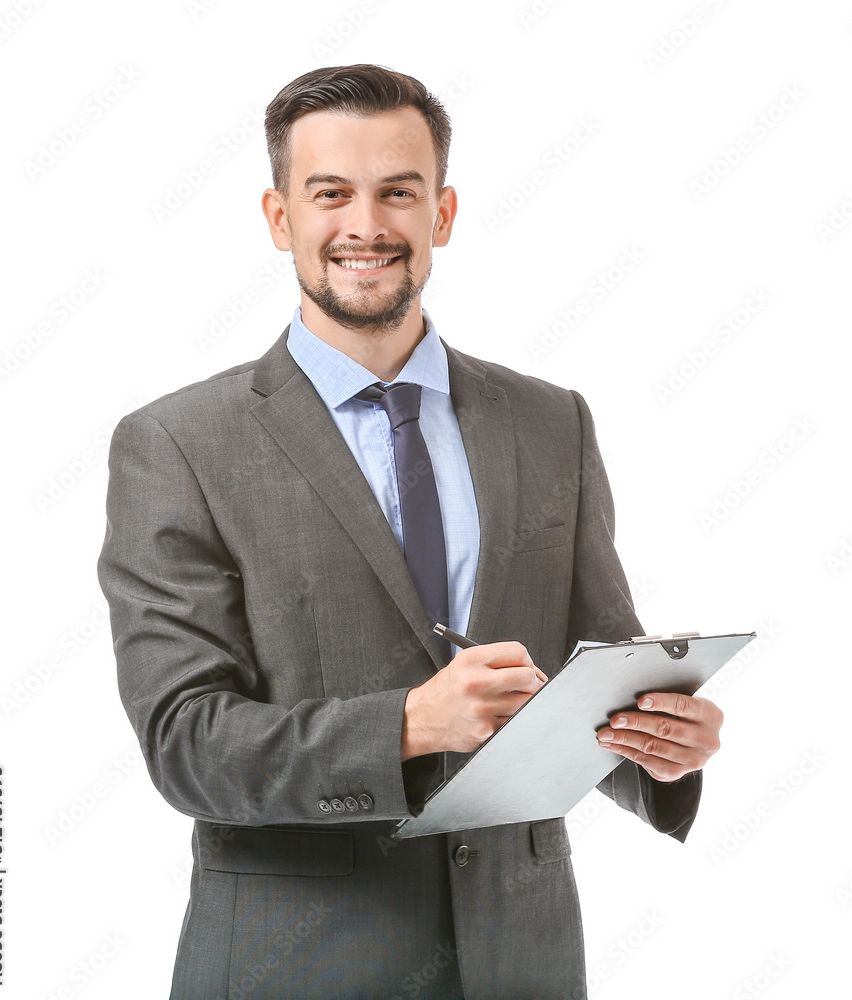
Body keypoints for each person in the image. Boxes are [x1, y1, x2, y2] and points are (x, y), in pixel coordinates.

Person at [97, 64, 724, 1000]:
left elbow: (595, 665)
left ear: (443, 212)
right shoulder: (177, 445)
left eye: (399, 192)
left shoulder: (552, 422)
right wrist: (403, 725)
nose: (366, 225)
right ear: (279, 219)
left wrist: (655, 742)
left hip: (523, 958)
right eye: (330, 194)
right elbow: (186, 742)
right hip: (298, 962)